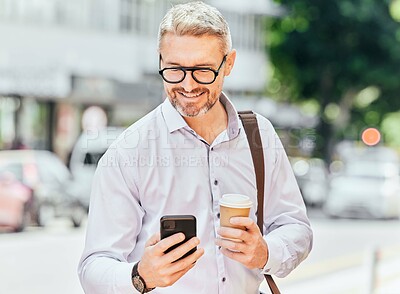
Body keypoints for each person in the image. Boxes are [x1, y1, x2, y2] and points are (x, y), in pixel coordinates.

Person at [78, 2, 313, 293]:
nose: (188, 86)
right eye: (175, 70)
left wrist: (267, 252)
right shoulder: (128, 152)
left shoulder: (259, 135)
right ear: (160, 61)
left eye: (203, 70)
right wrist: (141, 276)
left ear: (228, 63)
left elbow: (297, 228)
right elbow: (94, 267)